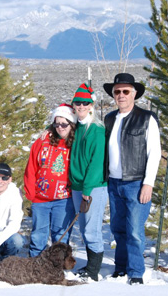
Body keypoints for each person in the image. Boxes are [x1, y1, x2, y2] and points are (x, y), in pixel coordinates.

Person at [103, 73, 161, 285]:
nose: (121, 95)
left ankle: (136, 272)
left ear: (134, 94)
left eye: (125, 91)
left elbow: (154, 152)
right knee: (118, 228)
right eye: (117, 91)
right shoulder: (109, 119)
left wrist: (148, 183)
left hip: (136, 183)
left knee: (135, 230)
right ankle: (120, 268)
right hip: (114, 183)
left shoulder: (147, 119)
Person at [24, 103, 77, 257]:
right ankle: (35, 264)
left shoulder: (76, 142)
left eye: (64, 124)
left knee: (60, 235)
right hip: (41, 198)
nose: (60, 127)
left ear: (71, 124)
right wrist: (31, 193)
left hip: (64, 199)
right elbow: (31, 166)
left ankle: (58, 266)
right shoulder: (43, 140)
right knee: (38, 235)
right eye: (56, 123)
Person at [69, 83, 108, 281]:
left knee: (92, 229)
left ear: (91, 104)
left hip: (93, 187)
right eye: (78, 103)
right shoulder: (76, 127)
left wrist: (87, 188)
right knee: (84, 229)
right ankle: (89, 267)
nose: (81, 106)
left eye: (85, 102)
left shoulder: (97, 130)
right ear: (73, 105)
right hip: (77, 187)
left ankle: (93, 272)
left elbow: (96, 162)